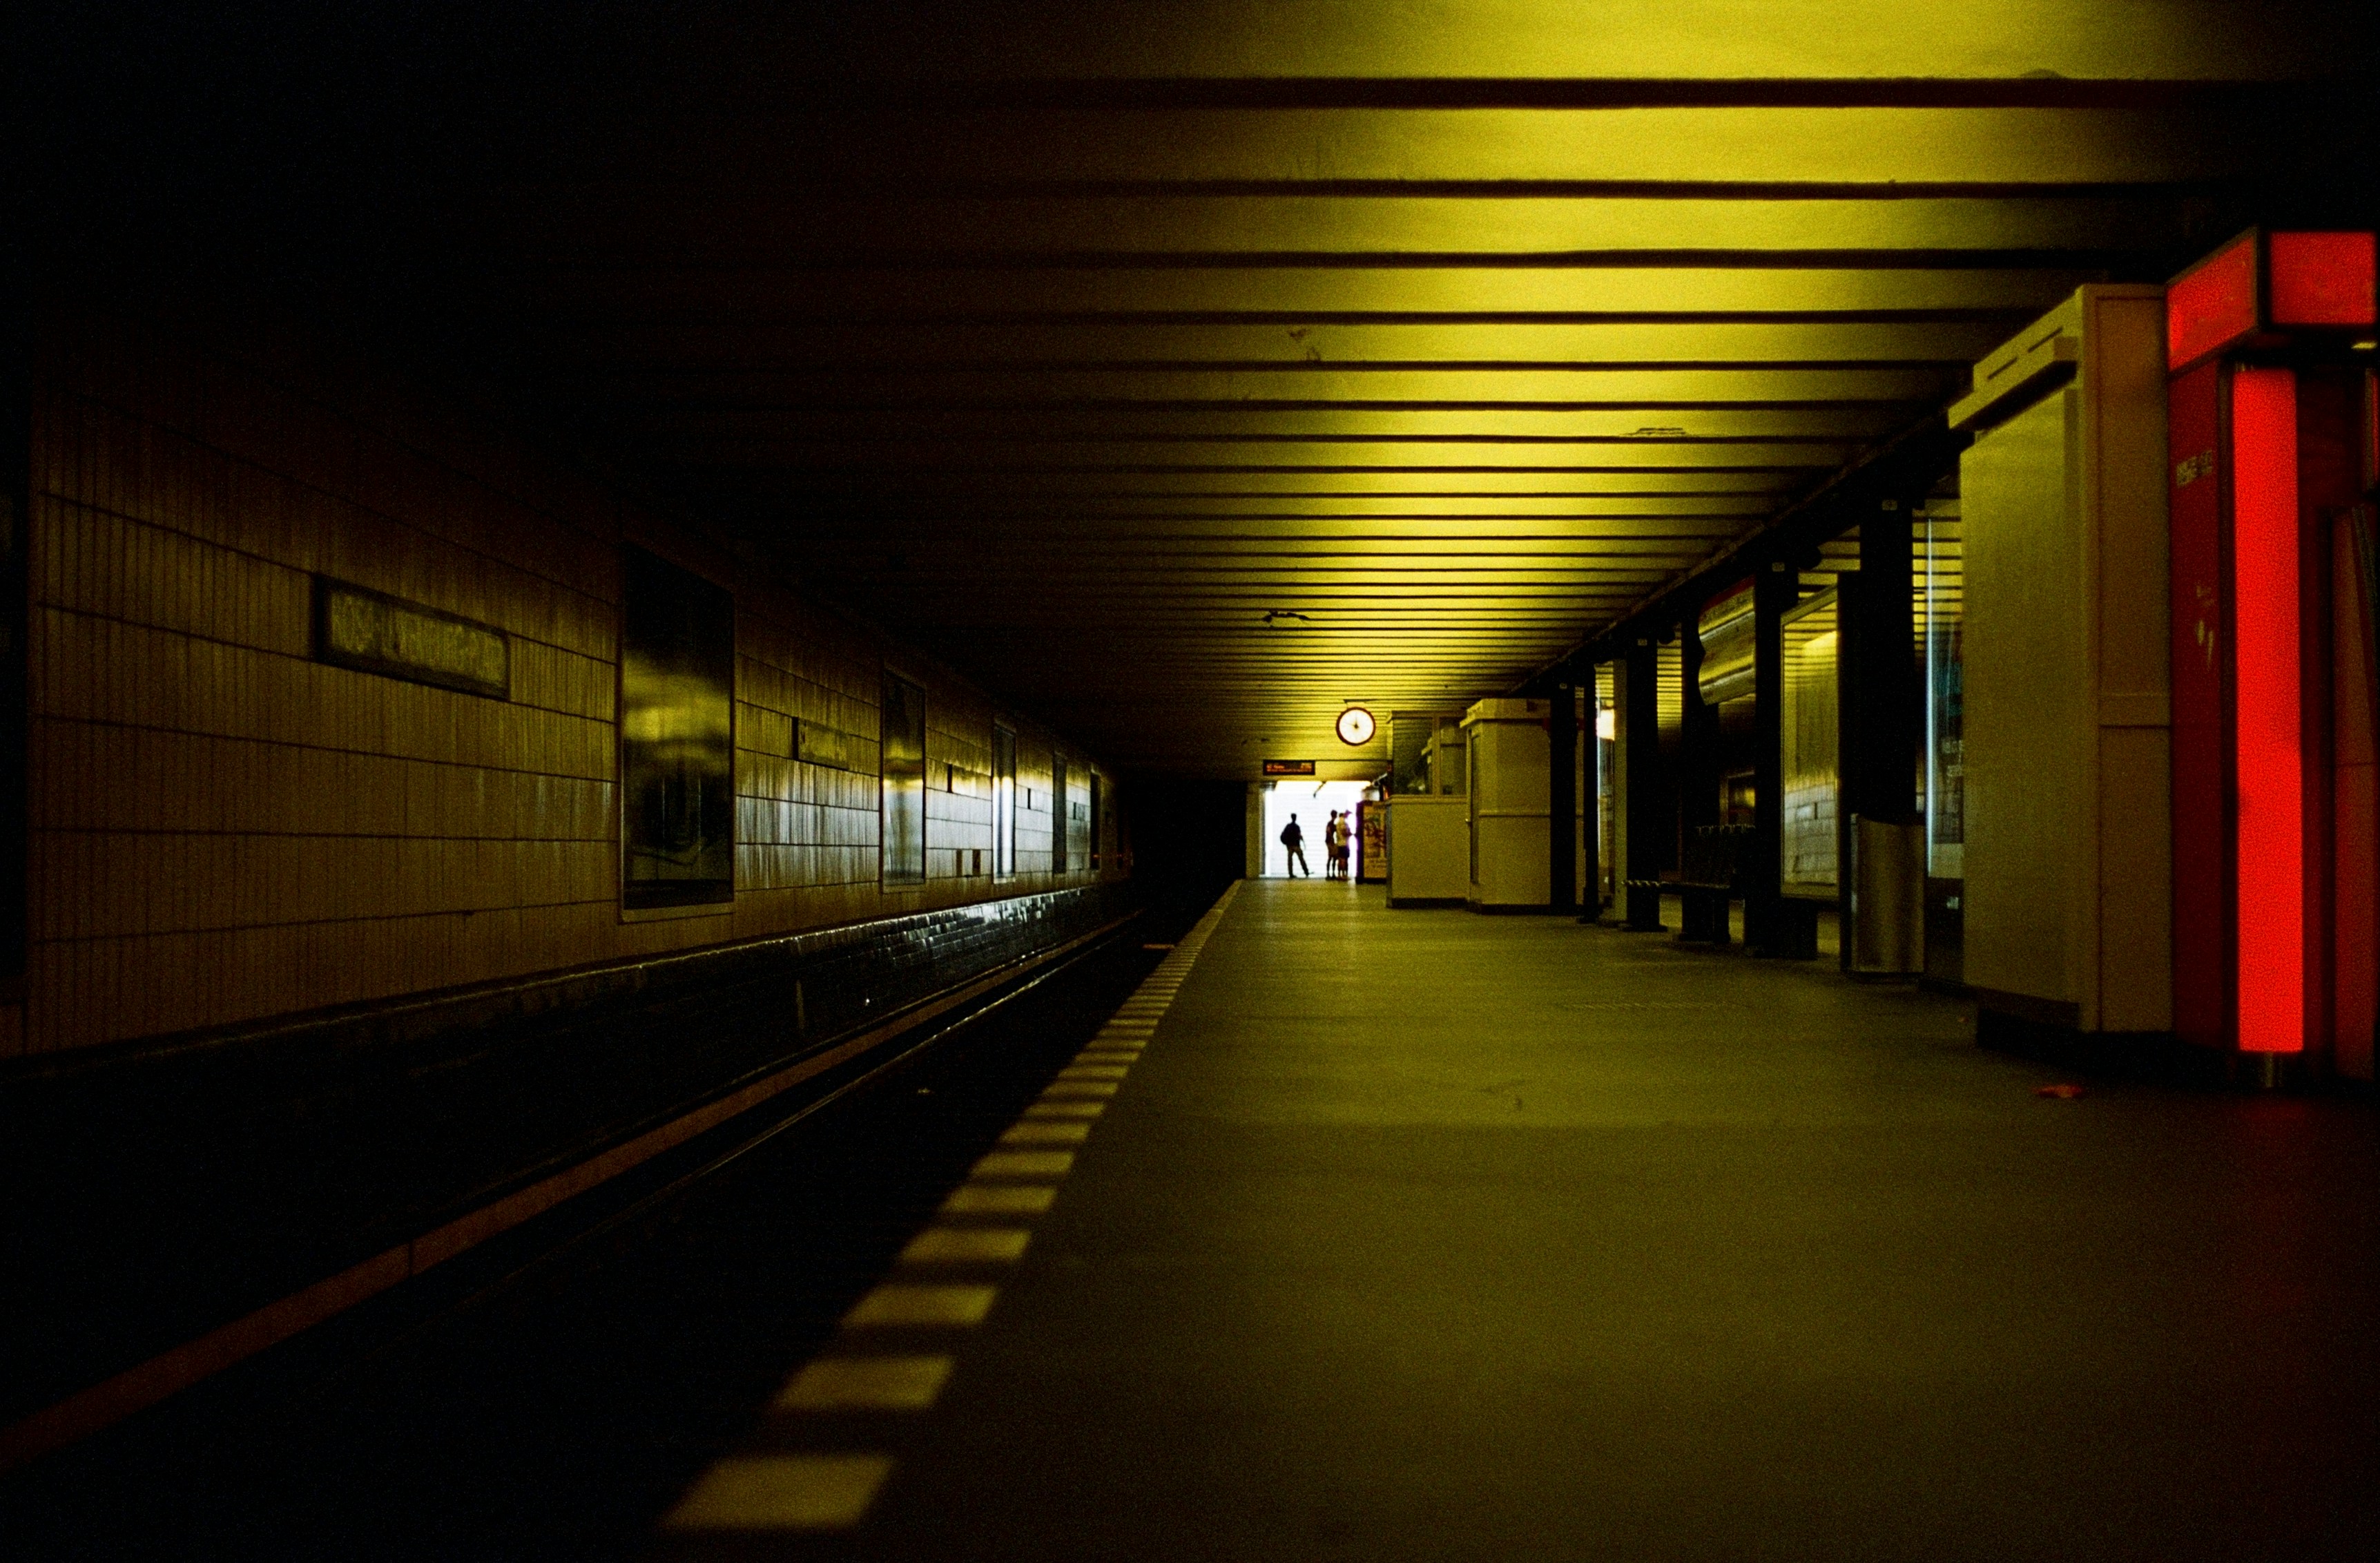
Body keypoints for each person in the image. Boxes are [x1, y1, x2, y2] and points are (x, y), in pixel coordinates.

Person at [1280, 813, 1309, 877]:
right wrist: (1302, 839)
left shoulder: (1288, 826)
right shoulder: (1297, 827)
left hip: (1289, 846)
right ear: (1296, 818)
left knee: (1290, 860)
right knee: (1301, 859)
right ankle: (1306, 872)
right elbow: (1299, 835)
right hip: (1296, 845)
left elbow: (1284, 834)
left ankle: (1291, 874)